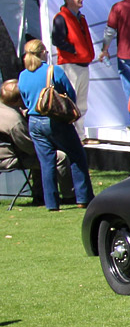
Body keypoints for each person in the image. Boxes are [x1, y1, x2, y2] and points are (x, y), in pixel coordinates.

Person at [16, 38, 93, 212]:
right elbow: (70, 94)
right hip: (54, 119)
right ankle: (83, 197)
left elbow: (24, 97)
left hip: (34, 122)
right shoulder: (53, 70)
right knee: (76, 155)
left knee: (47, 162)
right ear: (43, 52)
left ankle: (51, 203)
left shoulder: (23, 75)